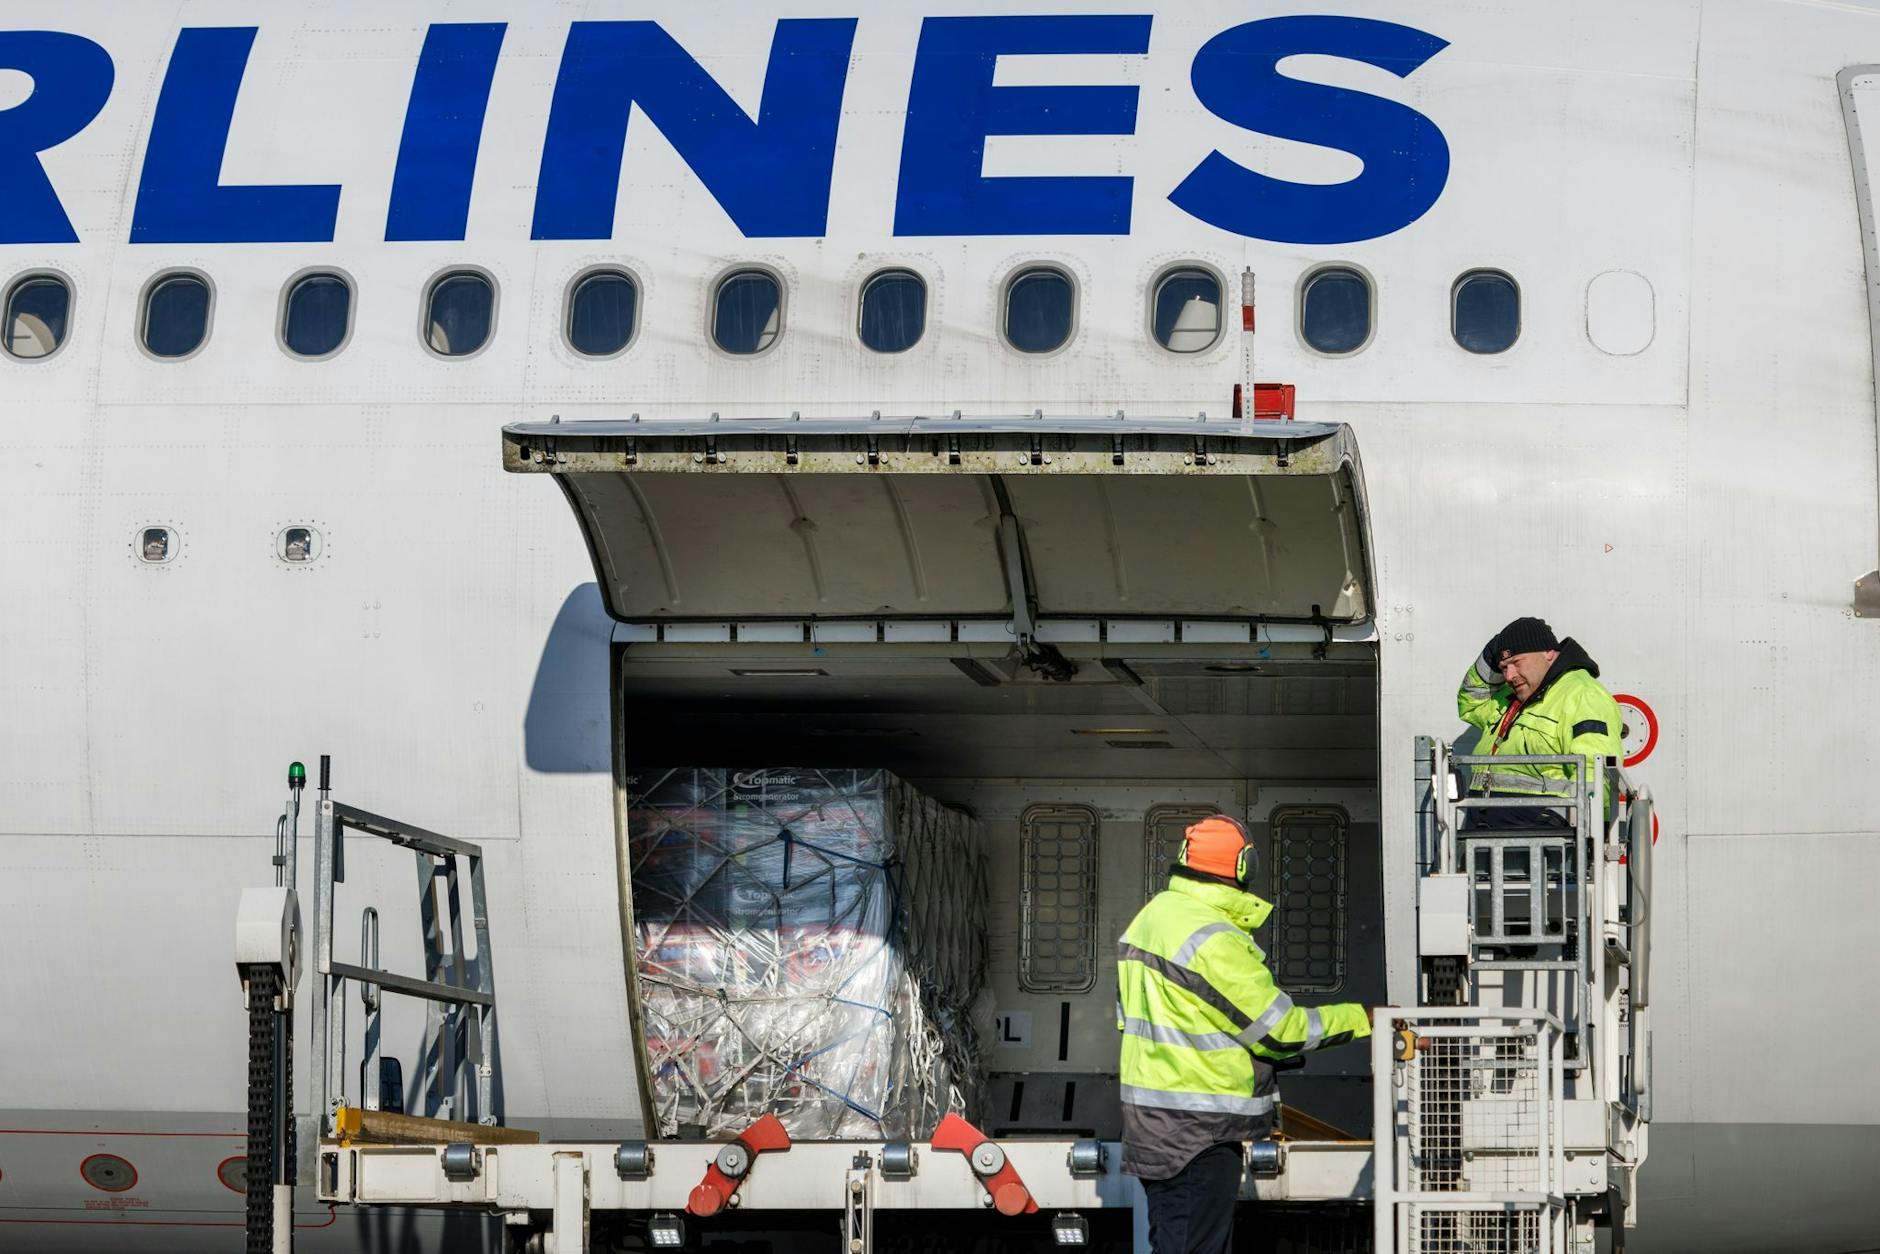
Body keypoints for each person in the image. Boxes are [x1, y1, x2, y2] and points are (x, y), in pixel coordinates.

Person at [1116, 815, 1370, 1254]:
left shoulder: (1154, 917)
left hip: (1158, 1127)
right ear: (1242, 867)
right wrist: (1366, 1017)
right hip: (1198, 1134)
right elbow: (1281, 1032)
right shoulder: (1211, 938)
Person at [1457, 617, 1624, 827]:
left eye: (1516, 663)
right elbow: (1472, 703)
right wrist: (1488, 657)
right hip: (1487, 830)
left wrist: (1569, 827)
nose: (1509, 675)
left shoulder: (1582, 694)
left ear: (1548, 653)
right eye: (1503, 667)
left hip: (1542, 839)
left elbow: (1597, 772)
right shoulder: (1516, 696)